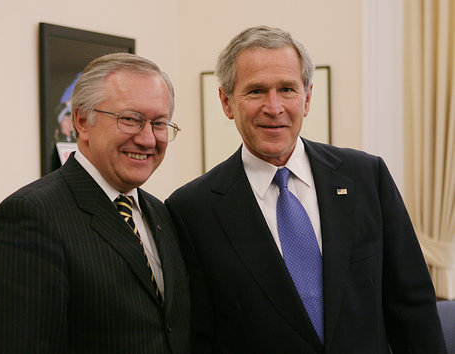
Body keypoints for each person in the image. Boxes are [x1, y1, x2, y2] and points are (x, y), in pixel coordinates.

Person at [166, 26, 447, 353]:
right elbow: (201, 336)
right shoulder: (192, 210)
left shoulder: (366, 178)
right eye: (256, 91)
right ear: (227, 102)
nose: (274, 107)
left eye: (287, 89)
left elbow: (412, 307)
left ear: (308, 98)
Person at [0, 53, 190, 353]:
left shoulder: (162, 214)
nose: (148, 139)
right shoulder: (30, 216)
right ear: (81, 121)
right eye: (130, 119)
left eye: (159, 123)